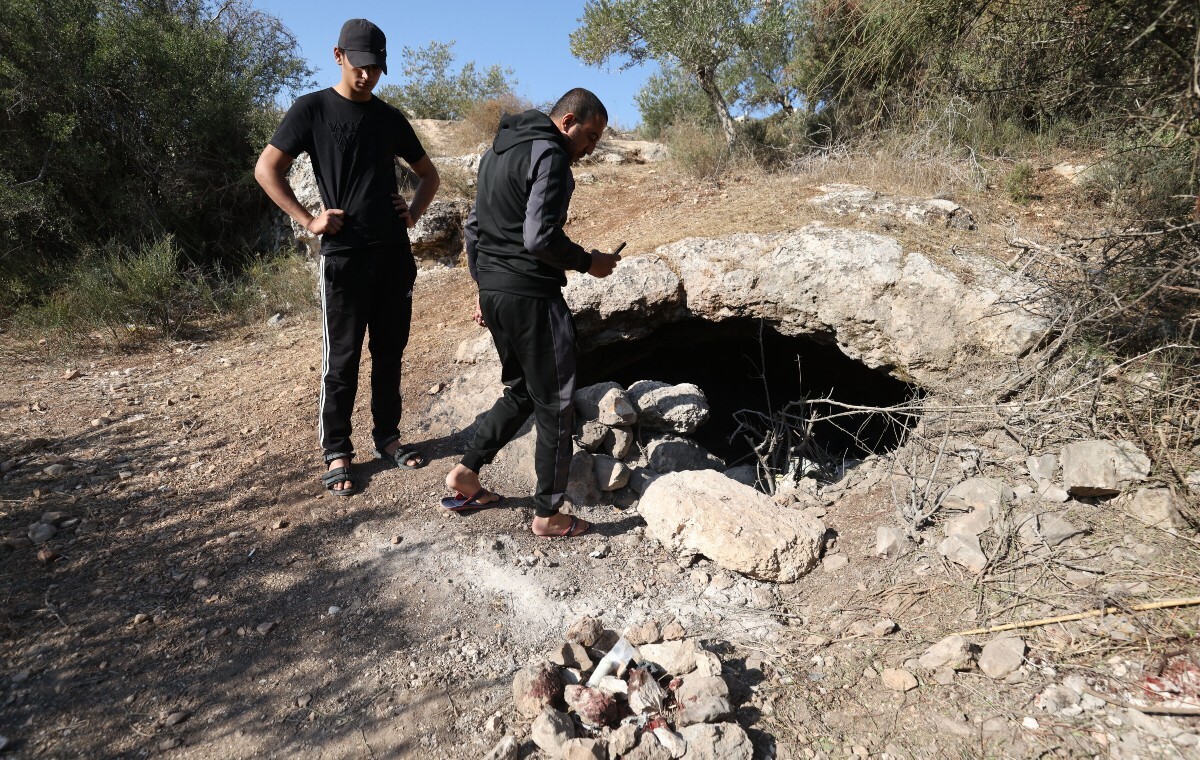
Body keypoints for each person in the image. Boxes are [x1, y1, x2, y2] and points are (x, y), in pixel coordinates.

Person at [254, 18, 440, 496]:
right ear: (338, 56)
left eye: (376, 68)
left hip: (393, 255)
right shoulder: (311, 109)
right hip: (344, 258)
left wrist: (413, 210)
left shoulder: (391, 118)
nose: (367, 76)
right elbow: (266, 168)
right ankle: (337, 450)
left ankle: (389, 438)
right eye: (360, 66)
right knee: (342, 359)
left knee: (390, 354)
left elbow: (428, 175)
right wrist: (308, 220)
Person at [442, 88, 620, 537]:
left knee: (520, 392)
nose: (591, 148)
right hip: (533, 298)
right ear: (567, 122)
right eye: (590, 135)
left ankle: (466, 472)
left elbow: (474, 229)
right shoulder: (551, 155)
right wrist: (589, 263)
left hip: (497, 293)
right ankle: (548, 513)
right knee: (556, 404)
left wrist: (485, 287)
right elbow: (539, 238)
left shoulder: (495, 152)